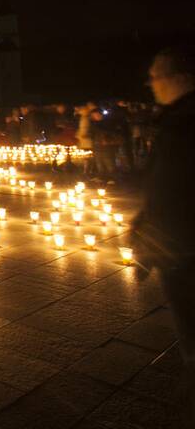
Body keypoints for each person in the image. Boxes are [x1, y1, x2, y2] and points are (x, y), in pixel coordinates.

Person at [132, 44, 195, 426]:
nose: (150, 84)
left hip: (184, 246)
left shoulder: (184, 121)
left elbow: (174, 188)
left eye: (155, 76)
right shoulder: (177, 118)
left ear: (179, 79)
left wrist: (153, 239)